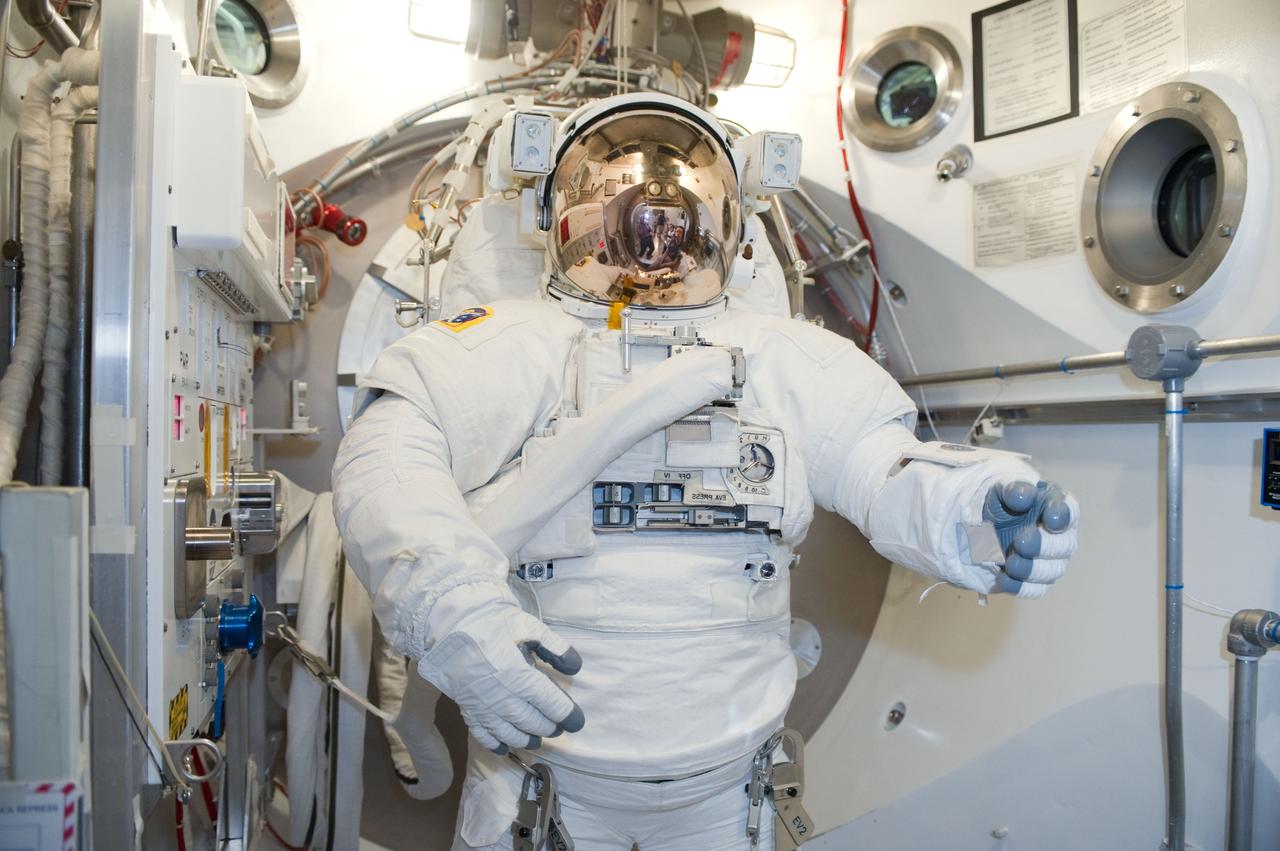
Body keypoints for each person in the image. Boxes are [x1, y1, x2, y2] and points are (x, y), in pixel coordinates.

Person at [331, 93, 1079, 850]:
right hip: (540, 789)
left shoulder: (781, 355)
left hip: (727, 796)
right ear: (563, 217)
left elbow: (882, 467)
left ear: (726, 223)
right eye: (632, 208)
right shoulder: (510, 346)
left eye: (676, 213)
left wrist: (967, 509)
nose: (655, 242)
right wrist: (453, 615)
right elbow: (386, 467)